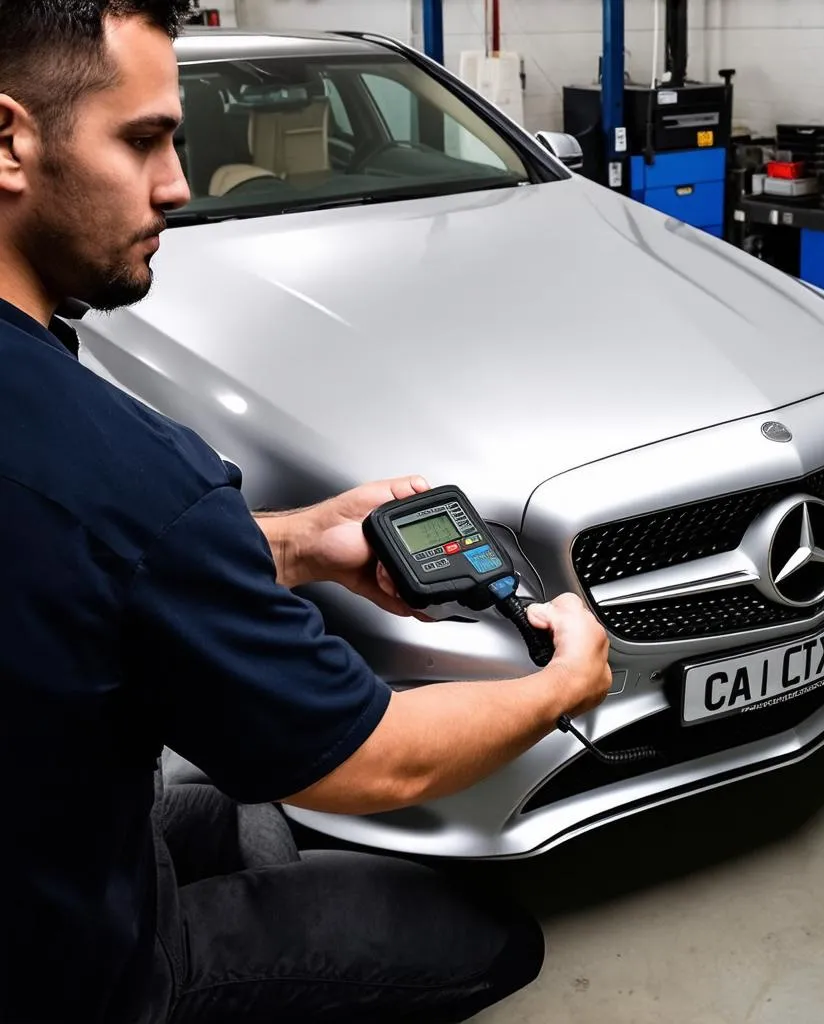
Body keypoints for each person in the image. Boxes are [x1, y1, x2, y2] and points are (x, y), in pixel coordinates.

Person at [0, 3, 613, 1022]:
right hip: (79, 974)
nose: (178, 186)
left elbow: (79, 557)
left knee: (236, 813)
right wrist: (565, 683)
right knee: (489, 934)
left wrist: (295, 544)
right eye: (143, 139)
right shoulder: (134, 471)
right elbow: (377, 758)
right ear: (10, 142)